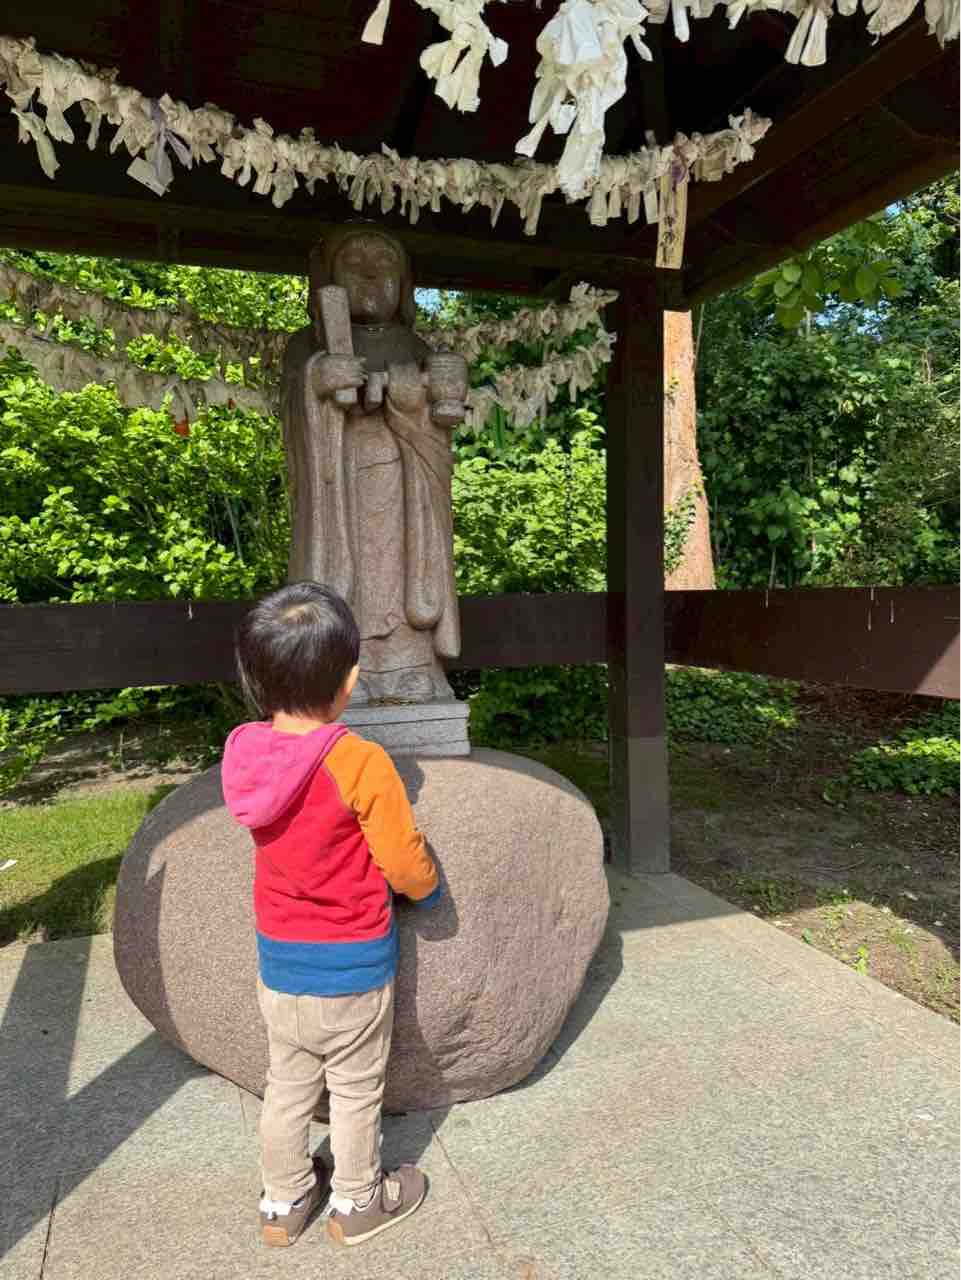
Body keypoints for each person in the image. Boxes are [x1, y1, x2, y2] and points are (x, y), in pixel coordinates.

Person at [222, 580, 441, 1248]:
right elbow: (401, 860)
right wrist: (429, 890)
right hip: (351, 965)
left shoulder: (245, 752)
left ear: (253, 680)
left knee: (286, 1086)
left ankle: (283, 1201)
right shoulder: (359, 762)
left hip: (280, 963)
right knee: (353, 1089)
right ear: (348, 682)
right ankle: (358, 1200)